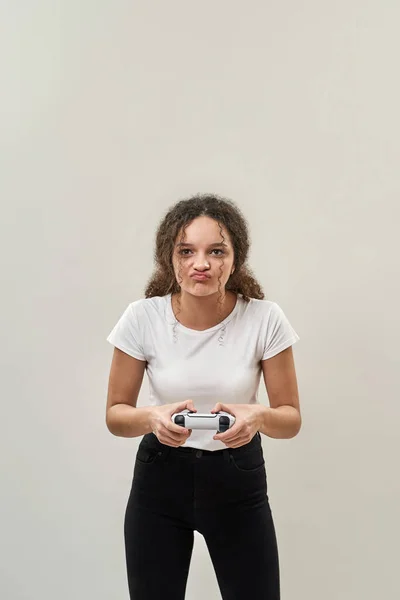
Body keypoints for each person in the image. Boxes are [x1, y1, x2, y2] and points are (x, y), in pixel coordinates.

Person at [105, 193, 301, 600]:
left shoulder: (265, 318)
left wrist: (259, 417)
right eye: (187, 251)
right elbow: (115, 415)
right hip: (160, 478)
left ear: (235, 257)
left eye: (216, 251)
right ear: (169, 257)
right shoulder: (141, 318)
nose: (201, 264)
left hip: (237, 479)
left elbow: (291, 418)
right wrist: (151, 419)